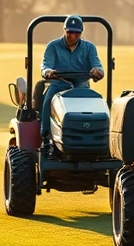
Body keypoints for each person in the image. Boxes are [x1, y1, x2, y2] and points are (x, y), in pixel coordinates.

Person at [39, 15, 105, 151]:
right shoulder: (53, 47)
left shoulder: (89, 48)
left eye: (77, 33)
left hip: (82, 86)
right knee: (47, 101)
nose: (73, 36)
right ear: (64, 30)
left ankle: (98, 138)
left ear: (81, 33)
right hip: (59, 85)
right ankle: (46, 137)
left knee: (99, 105)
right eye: (70, 32)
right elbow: (45, 66)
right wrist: (49, 72)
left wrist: (97, 71)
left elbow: (98, 66)